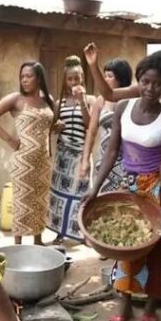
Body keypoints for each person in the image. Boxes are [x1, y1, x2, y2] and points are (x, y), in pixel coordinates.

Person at [83, 51, 161, 321]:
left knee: (156, 249)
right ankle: (123, 302)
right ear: (139, 81)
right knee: (124, 246)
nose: (151, 88)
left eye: (157, 84)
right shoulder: (123, 108)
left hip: (155, 186)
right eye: (146, 81)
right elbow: (112, 151)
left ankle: (151, 304)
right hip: (128, 185)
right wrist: (95, 187)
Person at [0, 62, 56, 245]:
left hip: (43, 161)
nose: (24, 80)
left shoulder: (48, 100)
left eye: (28, 76)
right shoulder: (16, 99)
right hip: (23, 161)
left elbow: (48, 124)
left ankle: (38, 240)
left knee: (39, 201)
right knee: (22, 201)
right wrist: (9, 139)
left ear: (39, 78)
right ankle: (18, 244)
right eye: (22, 76)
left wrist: (56, 126)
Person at [47, 56, 94, 243]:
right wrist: (56, 126)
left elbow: (90, 125)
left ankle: (82, 233)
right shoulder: (60, 103)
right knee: (60, 194)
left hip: (81, 155)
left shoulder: (89, 100)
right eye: (70, 78)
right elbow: (52, 126)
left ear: (82, 79)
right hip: (63, 156)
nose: (73, 82)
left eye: (77, 78)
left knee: (81, 194)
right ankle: (60, 233)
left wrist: (81, 101)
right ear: (65, 81)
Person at [79, 57, 133, 192]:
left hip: (127, 160)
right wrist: (85, 160)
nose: (106, 79)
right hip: (103, 160)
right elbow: (91, 132)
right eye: (105, 76)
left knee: (124, 200)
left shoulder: (132, 100)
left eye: (110, 76)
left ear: (121, 78)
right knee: (102, 200)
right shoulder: (101, 101)